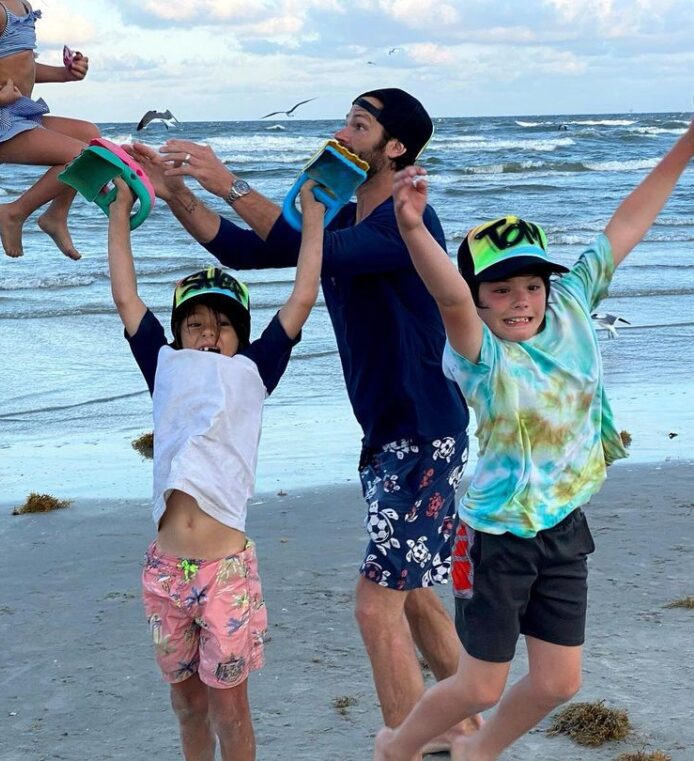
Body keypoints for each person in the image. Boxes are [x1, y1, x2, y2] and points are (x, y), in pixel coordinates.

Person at [127, 89, 476, 749]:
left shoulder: (405, 224)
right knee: (415, 596)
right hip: (390, 435)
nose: (343, 131)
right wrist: (173, 192)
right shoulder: (346, 214)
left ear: (395, 146)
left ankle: (413, 744)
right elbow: (245, 250)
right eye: (346, 118)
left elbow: (307, 248)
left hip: (421, 433)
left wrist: (227, 179)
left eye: (359, 123)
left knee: (377, 607)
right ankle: (473, 730)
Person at [374, 117, 694, 761]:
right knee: (480, 684)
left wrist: (685, 148)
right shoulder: (480, 353)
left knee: (558, 680)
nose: (520, 300)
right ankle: (396, 746)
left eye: (531, 285)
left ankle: (476, 752)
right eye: (501, 288)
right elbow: (450, 300)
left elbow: (627, 223)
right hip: (496, 537)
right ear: (480, 296)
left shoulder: (572, 305)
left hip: (563, 523)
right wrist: (411, 228)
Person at [107, 177, 322, 760]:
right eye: (196, 323)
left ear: (241, 337)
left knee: (231, 706)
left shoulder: (253, 372)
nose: (209, 333)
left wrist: (315, 218)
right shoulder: (165, 368)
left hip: (225, 572)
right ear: (177, 333)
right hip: (164, 573)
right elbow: (127, 297)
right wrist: (120, 214)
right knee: (186, 704)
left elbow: (302, 297)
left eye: (223, 324)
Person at [0, 0, 98, 259]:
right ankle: (15, 212)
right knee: (86, 156)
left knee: (91, 136)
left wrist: (66, 74)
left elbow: (23, 67)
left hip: (20, 118)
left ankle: (56, 215)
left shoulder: (22, 6)